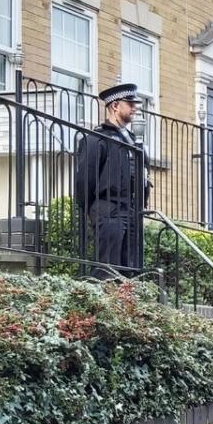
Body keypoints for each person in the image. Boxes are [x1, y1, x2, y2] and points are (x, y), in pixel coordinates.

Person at [74, 83, 151, 279]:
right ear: (115, 106)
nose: (135, 107)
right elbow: (85, 180)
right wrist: (93, 210)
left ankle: (125, 307)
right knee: (107, 269)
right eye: (130, 103)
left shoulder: (133, 140)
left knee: (130, 268)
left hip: (132, 209)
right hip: (108, 208)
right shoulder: (97, 138)